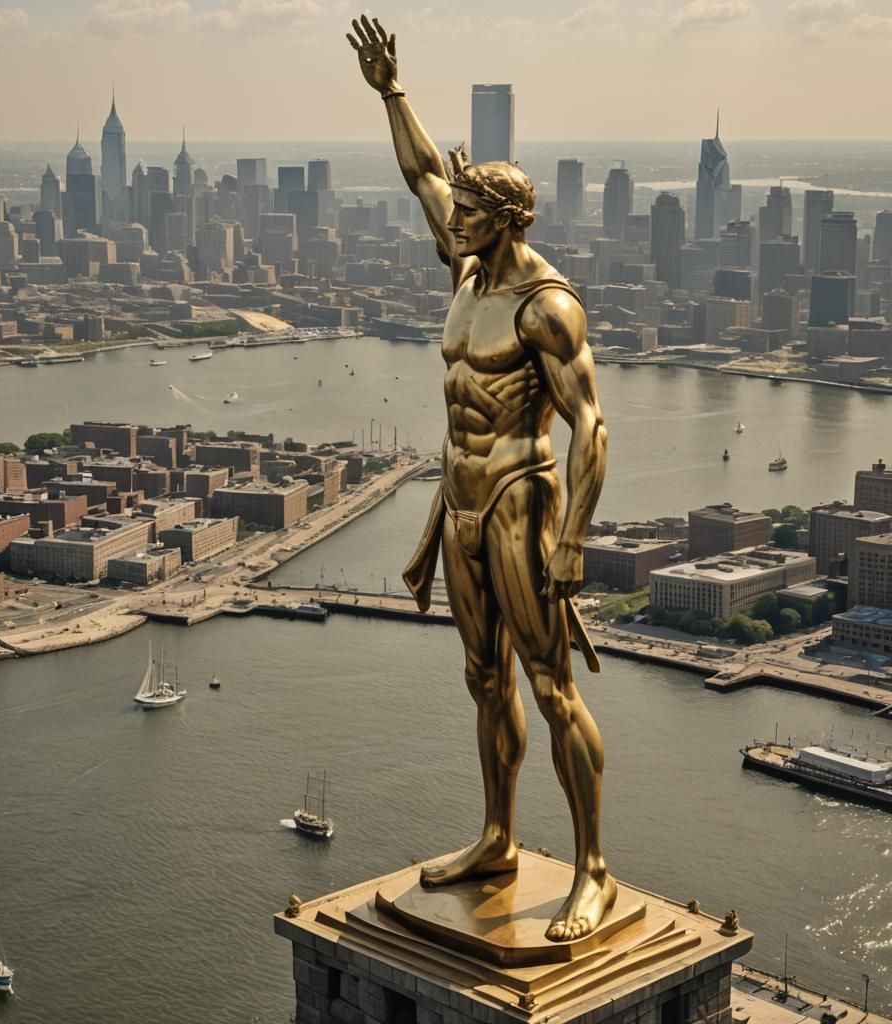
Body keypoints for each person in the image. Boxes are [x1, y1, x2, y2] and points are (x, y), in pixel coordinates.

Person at [347, 15, 613, 941]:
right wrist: (392, 92)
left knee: (549, 684)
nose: (448, 218)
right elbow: (424, 173)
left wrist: (572, 540)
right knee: (483, 678)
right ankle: (499, 837)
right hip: (456, 502)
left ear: (502, 221)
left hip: (518, 503)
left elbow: (591, 426)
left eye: (466, 211)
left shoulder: (547, 306)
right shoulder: (467, 276)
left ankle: (591, 870)